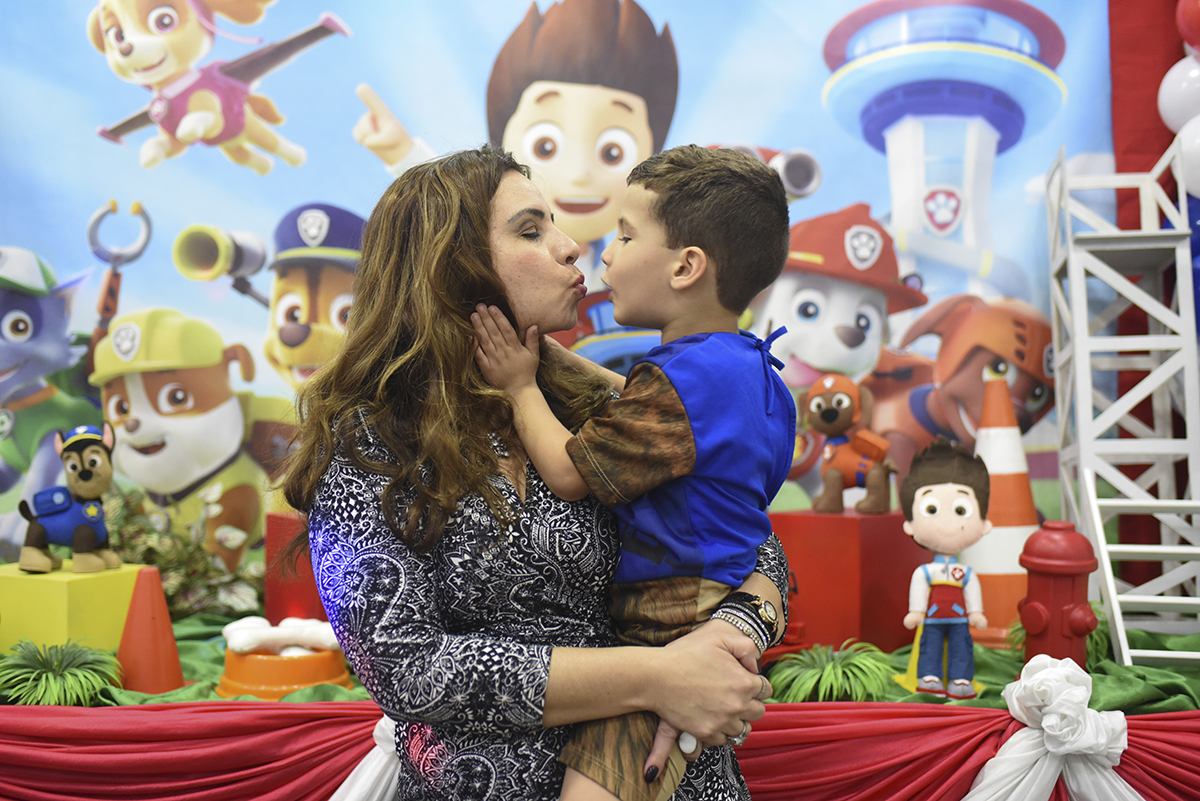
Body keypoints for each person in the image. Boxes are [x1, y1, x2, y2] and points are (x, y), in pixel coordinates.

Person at [281, 144, 790, 801]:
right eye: (531, 229)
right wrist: (659, 675)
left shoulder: (603, 408)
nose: (571, 245)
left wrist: (726, 638)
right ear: (451, 266)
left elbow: (755, 544)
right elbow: (407, 667)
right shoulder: (372, 441)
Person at [470, 144, 794, 801]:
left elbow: (567, 471)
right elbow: (635, 411)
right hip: (719, 594)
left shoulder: (678, 382)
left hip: (666, 622)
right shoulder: (754, 375)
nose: (600, 253)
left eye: (623, 234)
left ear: (685, 266)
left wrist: (520, 386)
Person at [900, 436, 992, 700]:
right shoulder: (925, 572)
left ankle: (961, 678)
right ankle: (929, 677)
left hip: (961, 619)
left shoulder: (966, 574)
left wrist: (976, 612)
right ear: (910, 525)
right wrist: (916, 611)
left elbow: (972, 591)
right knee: (930, 647)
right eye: (931, 509)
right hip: (931, 618)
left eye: (961, 510)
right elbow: (919, 588)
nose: (948, 523)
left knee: (962, 647)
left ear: (984, 523)